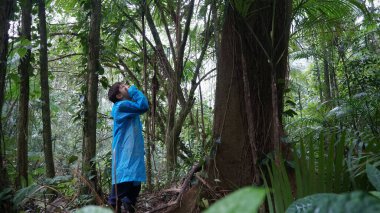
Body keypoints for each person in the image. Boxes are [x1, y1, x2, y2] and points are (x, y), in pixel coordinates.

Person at [107, 82, 149, 213]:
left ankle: (128, 204)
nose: (127, 86)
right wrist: (134, 91)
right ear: (119, 95)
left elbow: (138, 106)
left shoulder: (127, 106)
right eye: (123, 86)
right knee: (118, 194)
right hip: (124, 157)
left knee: (133, 192)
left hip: (132, 155)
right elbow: (143, 106)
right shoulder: (120, 106)